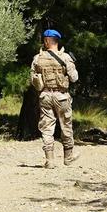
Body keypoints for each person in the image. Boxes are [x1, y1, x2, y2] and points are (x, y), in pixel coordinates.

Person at [30, 29, 79, 167]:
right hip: (62, 96)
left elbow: (33, 79)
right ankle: (68, 158)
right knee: (66, 125)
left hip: (45, 95)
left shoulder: (37, 58)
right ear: (56, 41)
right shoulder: (65, 57)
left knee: (47, 127)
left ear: (46, 41)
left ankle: (49, 160)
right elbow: (74, 78)